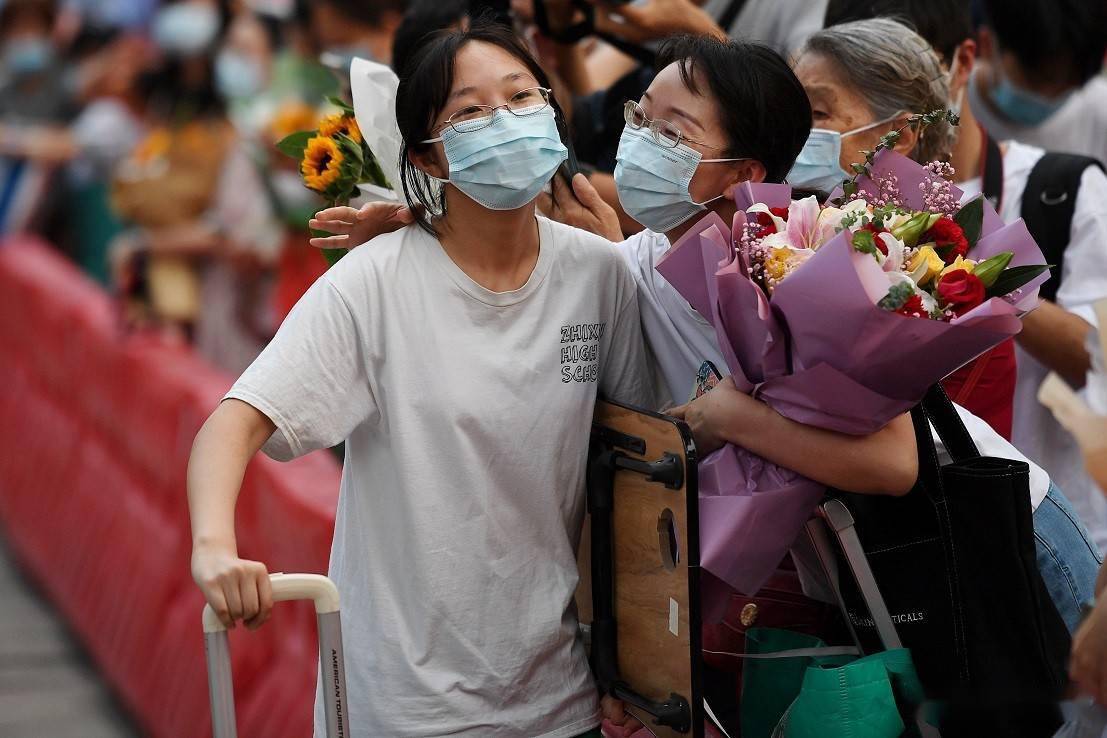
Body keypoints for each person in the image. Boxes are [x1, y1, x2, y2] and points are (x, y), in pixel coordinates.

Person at [188, 22, 658, 738]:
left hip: (559, 702)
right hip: (402, 707)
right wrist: (214, 550)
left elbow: (636, 469)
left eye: (521, 97)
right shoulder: (374, 283)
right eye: (468, 113)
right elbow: (235, 421)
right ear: (427, 157)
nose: (503, 122)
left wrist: (632, 669)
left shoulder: (600, 274)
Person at [789, 15, 1104, 632]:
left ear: (900, 134)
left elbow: (893, 459)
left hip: (1013, 552)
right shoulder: (815, 241)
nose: (799, 133)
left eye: (820, 113)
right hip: (911, 566)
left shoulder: (940, 271)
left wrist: (969, 274)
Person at [967, 0, 1107, 164]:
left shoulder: (1100, 112)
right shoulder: (946, 114)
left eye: (1069, 87)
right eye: (1041, 80)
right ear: (987, 45)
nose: (1051, 96)